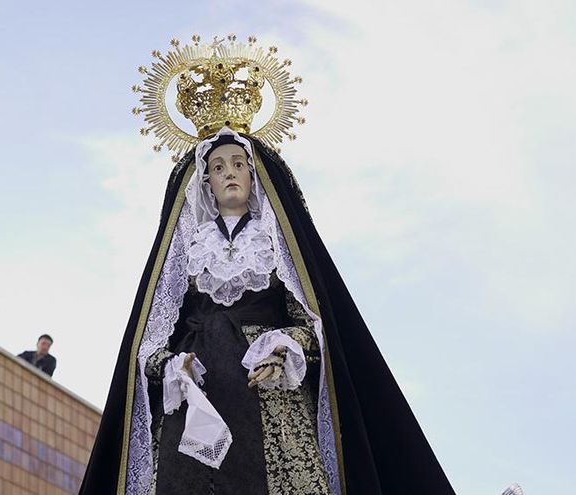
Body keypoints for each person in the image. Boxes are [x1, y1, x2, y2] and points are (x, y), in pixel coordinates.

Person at [80, 38, 454, 495]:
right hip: (200, 398)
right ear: (206, 182)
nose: (230, 172)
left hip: (270, 398)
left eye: (239, 163)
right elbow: (153, 340)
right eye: (218, 167)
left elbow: (313, 326)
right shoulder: (187, 252)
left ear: (255, 177)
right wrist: (175, 365)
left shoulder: (278, 249)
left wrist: (282, 349)